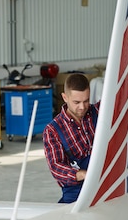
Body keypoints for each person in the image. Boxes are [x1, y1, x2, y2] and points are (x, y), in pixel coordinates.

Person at [43, 73, 100, 203]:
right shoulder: (52, 131)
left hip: (105, 185)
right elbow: (56, 166)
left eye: (86, 101)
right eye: (76, 102)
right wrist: (83, 174)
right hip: (76, 194)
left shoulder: (99, 112)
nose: (82, 107)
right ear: (65, 97)